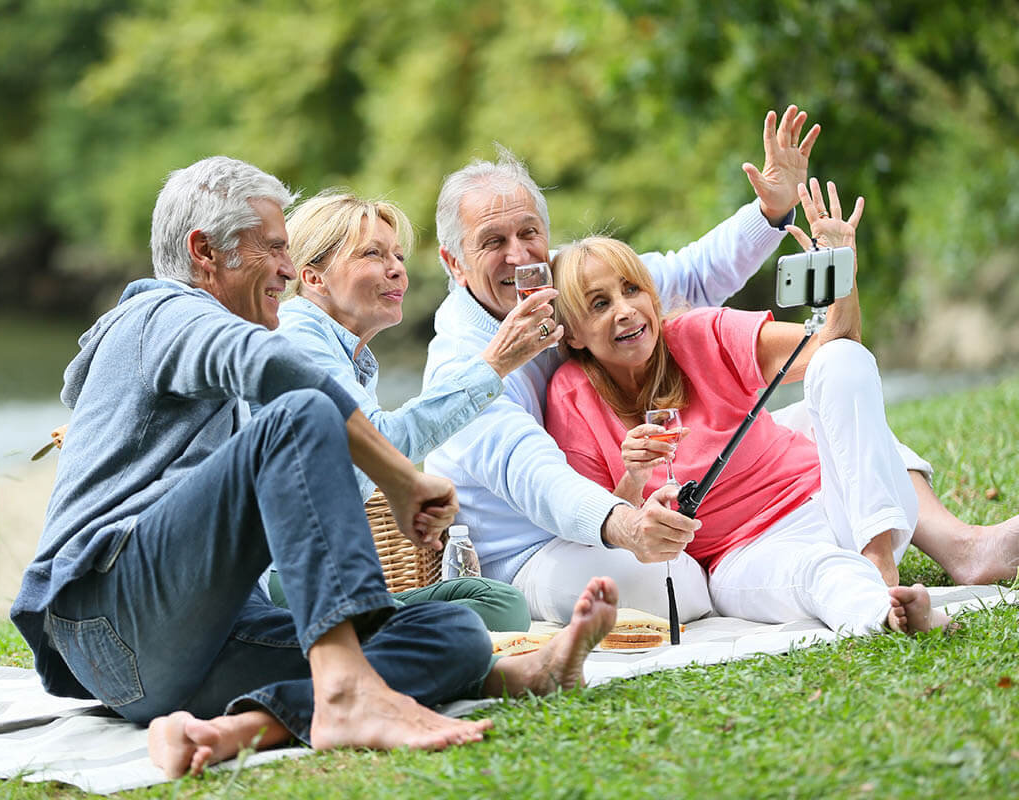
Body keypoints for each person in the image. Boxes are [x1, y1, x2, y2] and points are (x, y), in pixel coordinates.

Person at [9, 155, 619, 780]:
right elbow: (278, 376)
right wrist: (401, 478)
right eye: (273, 248)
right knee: (300, 411)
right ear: (205, 252)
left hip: (176, 658)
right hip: (108, 615)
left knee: (454, 631)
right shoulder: (160, 313)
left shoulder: (247, 347)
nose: (284, 267)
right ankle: (347, 689)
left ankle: (246, 727)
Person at [422, 108, 1017, 627]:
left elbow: (692, 276)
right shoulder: (470, 365)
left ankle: (949, 550)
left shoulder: (576, 283)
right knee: (675, 583)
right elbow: (535, 476)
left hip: (724, 504)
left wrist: (773, 210)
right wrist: (627, 522)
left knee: (834, 397)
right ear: (453, 261)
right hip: (539, 545)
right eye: (492, 241)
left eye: (530, 233)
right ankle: (859, 594)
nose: (519, 254)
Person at [544, 179, 951, 636]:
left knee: (842, 358)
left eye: (632, 290)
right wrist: (634, 477)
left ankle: (879, 567)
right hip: (746, 553)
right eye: (600, 304)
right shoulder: (570, 395)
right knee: (816, 571)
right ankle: (886, 613)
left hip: (839, 508)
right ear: (573, 333)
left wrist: (843, 269)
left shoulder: (700, 333)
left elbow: (835, 348)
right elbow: (601, 524)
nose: (625, 310)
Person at [265, 189, 558, 631]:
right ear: (314, 278)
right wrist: (494, 364)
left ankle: (392, 636)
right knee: (480, 622)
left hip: (336, 576)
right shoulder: (298, 335)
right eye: (373, 254)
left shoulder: (351, 356)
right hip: (285, 581)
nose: (396, 268)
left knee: (499, 603)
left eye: (398, 255)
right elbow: (381, 442)